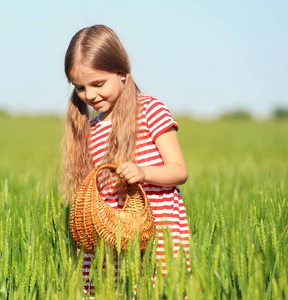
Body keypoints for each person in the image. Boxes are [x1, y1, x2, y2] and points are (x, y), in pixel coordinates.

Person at [62, 24, 190, 296]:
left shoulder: (150, 111)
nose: (90, 95)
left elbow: (178, 171)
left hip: (157, 233)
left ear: (122, 73)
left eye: (98, 84)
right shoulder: (92, 130)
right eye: (81, 88)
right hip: (111, 237)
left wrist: (143, 172)